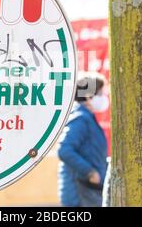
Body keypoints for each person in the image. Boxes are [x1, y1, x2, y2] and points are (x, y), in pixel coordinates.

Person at [57, 71, 109, 207]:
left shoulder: (87, 117)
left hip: (88, 191)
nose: (103, 98)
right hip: (80, 193)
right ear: (87, 95)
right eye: (100, 94)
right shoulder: (80, 118)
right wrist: (90, 172)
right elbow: (64, 150)